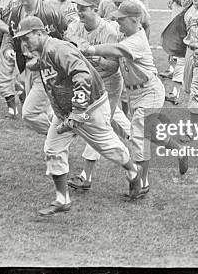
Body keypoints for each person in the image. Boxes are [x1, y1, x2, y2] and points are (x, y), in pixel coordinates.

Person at [13, 16, 142, 215]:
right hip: (65, 111)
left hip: (90, 108)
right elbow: (54, 69)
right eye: (21, 39)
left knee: (108, 147)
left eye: (27, 38)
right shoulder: (45, 51)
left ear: (40, 33)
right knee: (52, 149)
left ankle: (133, 171)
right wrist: (34, 65)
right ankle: (62, 199)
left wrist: (78, 111)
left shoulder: (58, 48)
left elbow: (82, 74)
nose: (24, 43)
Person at [83, 1, 189, 197]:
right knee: (151, 133)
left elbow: (117, 50)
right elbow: (110, 53)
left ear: (134, 20)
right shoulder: (125, 33)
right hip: (134, 93)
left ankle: (142, 183)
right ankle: (180, 150)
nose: (118, 22)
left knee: (139, 134)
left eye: (121, 19)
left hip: (149, 91)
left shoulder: (137, 40)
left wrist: (90, 49)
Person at [64, 0, 132, 190]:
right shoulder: (75, 26)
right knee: (114, 119)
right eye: (78, 8)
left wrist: (99, 60)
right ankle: (139, 140)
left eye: (83, 9)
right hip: (87, 83)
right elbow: (70, 43)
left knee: (98, 124)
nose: (79, 12)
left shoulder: (108, 31)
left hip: (108, 84)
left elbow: (113, 67)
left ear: (95, 10)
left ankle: (87, 175)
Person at [3, 0, 68, 135]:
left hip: (48, 70)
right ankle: (57, 144)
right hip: (28, 68)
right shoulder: (16, 13)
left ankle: (61, 134)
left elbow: (65, 39)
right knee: (47, 110)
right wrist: (9, 48)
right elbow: (11, 36)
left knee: (29, 114)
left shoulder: (49, 13)